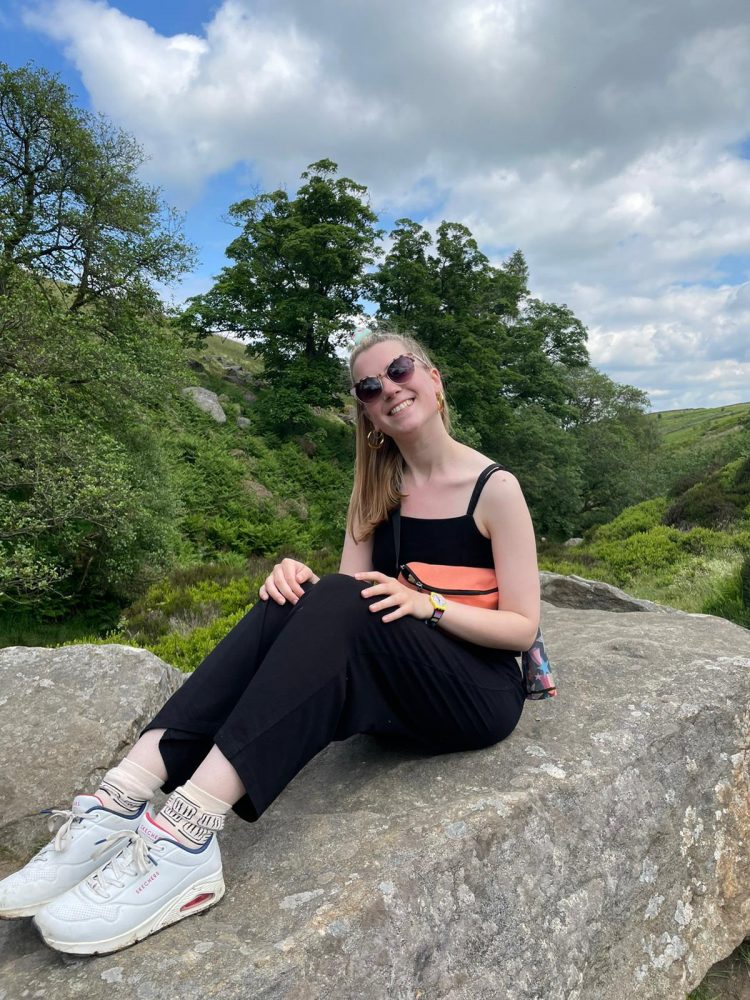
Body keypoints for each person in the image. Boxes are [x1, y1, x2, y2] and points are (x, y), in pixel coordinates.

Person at [0, 330, 541, 955]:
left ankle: (186, 832)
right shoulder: (373, 490)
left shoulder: (493, 488)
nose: (389, 389)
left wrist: (430, 604)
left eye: (399, 370)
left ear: (434, 377)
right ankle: (118, 803)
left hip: (473, 694)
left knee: (335, 596)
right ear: (366, 414)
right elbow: (345, 603)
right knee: (297, 598)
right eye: (370, 387)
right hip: (398, 690)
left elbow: (522, 628)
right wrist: (298, 584)